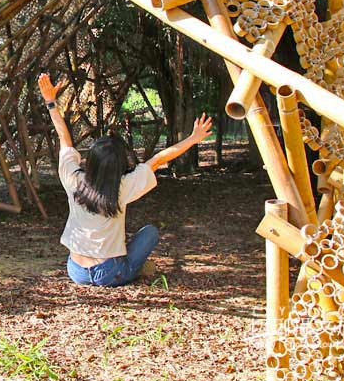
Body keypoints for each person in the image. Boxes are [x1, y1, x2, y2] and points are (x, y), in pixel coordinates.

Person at [38, 72, 213, 287]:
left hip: (76, 271)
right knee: (150, 233)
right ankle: (129, 270)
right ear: (120, 165)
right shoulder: (122, 187)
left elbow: (64, 138)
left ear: (90, 161)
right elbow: (159, 159)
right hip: (109, 273)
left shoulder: (72, 179)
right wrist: (193, 138)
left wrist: (50, 102)